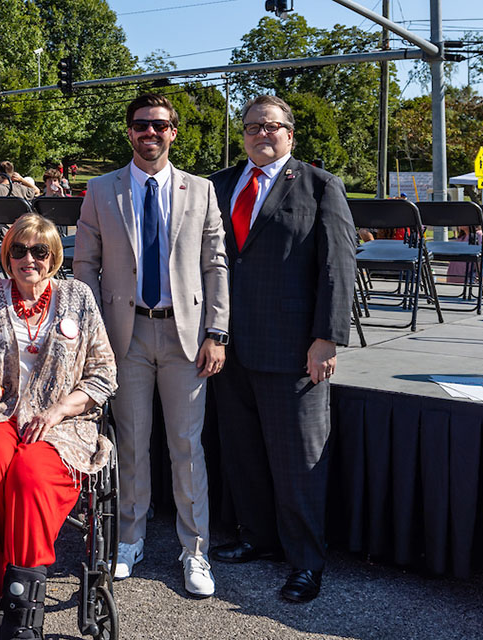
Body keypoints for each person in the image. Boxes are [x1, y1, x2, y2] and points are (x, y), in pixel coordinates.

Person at [74, 92, 229, 598]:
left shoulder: (201, 190)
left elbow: (215, 265)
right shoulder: (101, 190)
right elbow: (84, 267)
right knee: (132, 445)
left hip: (187, 338)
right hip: (126, 335)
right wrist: (92, 334)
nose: (150, 133)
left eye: (160, 125)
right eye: (141, 124)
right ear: (129, 131)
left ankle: (196, 550)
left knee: (187, 448)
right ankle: (130, 539)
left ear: (173, 132)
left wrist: (217, 331)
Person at [0, 213, 116, 639]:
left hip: (60, 423)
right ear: (7, 254)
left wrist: (58, 412)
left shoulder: (78, 297)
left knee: (30, 475)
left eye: (39, 251)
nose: (28, 259)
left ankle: (23, 613)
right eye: (18, 250)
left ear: (54, 257)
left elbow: (103, 373)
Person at [207, 94, 356, 603]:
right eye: (252, 127)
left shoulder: (320, 186)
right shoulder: (220, 184)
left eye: (272, 126)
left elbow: (338, 267)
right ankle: (257, 538)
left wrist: (327, 337)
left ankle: (305, 563)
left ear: (290, 134)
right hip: (229, 349)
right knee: (243, 455)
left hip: (295, 350)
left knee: (299, 463)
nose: (261, 135)